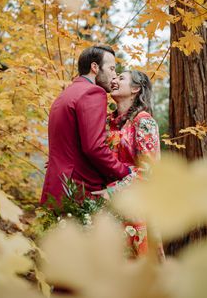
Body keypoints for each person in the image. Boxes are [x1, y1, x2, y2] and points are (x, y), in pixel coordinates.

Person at [40, 45, 130, 205]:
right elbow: (94, 147)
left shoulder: (65, 94)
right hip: (79, 189)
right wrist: (124, 172)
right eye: (111, 68)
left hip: (56, 186)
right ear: (95, 67)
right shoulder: (93, 93)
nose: (114, 75)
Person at [93, 69, 164, 259]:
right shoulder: (107, 120)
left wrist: (113, 191)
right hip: (102, 205)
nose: (114, 80)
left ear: (135, 89)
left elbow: (149, 172)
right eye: (115, 77)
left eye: (120, 78)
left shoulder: (144, 122)